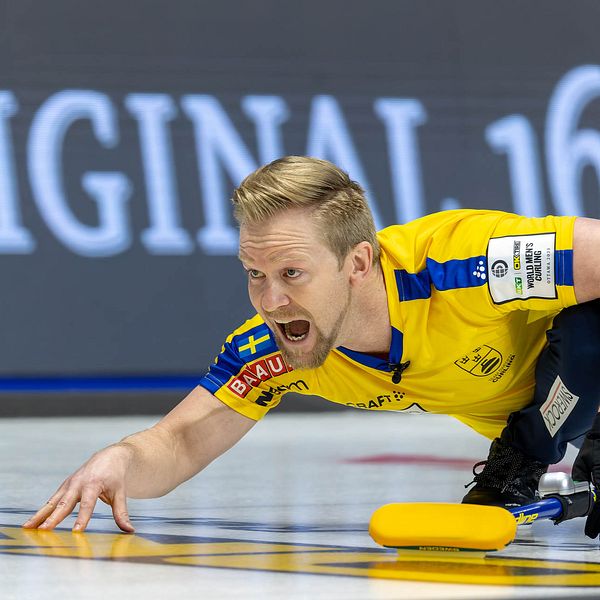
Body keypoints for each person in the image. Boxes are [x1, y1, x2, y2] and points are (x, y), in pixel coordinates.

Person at [23, 156, 600, 538]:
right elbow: (178, 442)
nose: (270, 301)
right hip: (560, 412)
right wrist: (122, 458)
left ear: (358, 263)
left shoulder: (469, 266)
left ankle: (522, 459)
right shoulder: (269, 352)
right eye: (254, 273)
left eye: (292, 273)